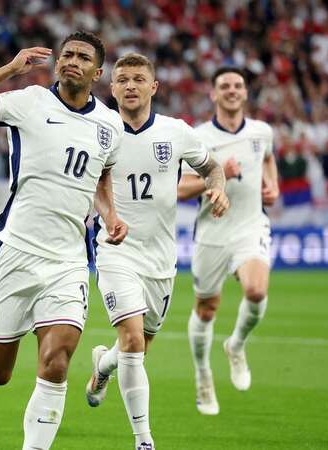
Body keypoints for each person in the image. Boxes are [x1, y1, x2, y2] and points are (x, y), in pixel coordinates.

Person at [0, 31, 128, 450]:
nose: (72, 61)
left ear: (98, 72)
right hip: (18, 252)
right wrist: (9, 69)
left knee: (57, 360)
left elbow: (101, 174)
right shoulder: (29, 101)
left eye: (82, 57)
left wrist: (111, 214)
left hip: (68, 261)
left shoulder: (110, 125)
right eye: (67, 55)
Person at [84, 53, 228, 450]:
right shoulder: (96, 130)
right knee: (131, 340)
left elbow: (211, 166)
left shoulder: (175, 131)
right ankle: (144, 440)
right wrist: (107, 214)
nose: (130, 85)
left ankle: (102, 365)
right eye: (123, 79)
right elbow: (93, 183)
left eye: (138, 79)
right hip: (115, 250)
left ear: (153, 87)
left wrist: (218, 187)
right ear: (111, 88)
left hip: (161, 260)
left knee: (137, 347)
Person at [178, 67, 279, 415]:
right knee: (206, 309)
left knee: (256, 291)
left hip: (251, 227)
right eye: (224, 86)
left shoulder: (262, 132)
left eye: (238, 85)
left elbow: (268, 159)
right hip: (212, 233)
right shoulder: (198, 137)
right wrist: (219, 174)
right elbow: (179, 189)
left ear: (246, 93)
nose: (232, 90)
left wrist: (273, 184)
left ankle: (236, 345)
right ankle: (203, 375)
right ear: (213, 94)